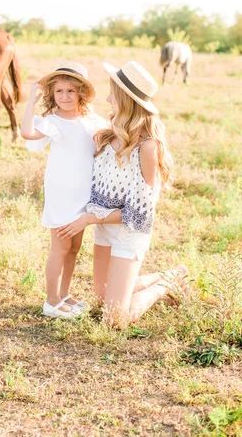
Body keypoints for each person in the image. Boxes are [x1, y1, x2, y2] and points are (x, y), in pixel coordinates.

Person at [57, 61, 188, 327]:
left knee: (115, 318)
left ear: (125, 100)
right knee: (102, 297)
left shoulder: (148, 147)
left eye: (111, 94)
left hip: (129, 231)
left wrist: (90, 219)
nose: (106, 99)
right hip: (104, 227)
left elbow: (140, 215)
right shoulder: (106, 136)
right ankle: (163, 276)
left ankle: (167, 282)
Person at [21, 61, 107, 319]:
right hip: (62, 193)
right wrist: (30, 102)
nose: (65, 96)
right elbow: (27, 132)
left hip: (84, 194)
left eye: (71, 91)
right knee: (60, 247)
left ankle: (64, 293)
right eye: (59, 91)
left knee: (74, 247)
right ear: (52, 94)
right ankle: (51, 301)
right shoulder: (53, 121)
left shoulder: (92, 120)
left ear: (82, 92)